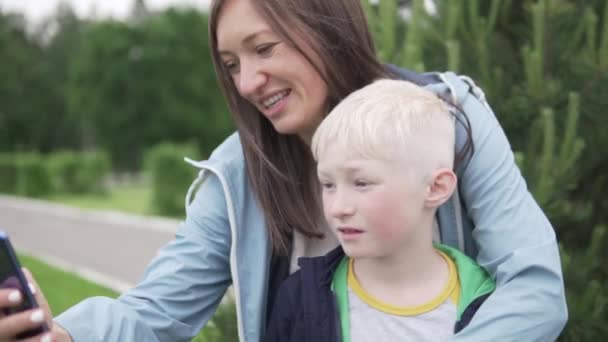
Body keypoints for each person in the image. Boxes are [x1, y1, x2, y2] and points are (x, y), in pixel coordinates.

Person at [0, 0, 567, 341]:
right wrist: (66, 333)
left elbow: (536, 287)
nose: (247, 83)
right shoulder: (240, 171)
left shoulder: (451, 117)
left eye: (263, 48)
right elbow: (155, 313)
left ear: (324, 24)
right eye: (231, 65)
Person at [264, 79, 496, 342]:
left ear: (435, 188)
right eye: (328, 184)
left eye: (361, 183)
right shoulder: (300, 299)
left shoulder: (488, 305)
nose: (338, 207)